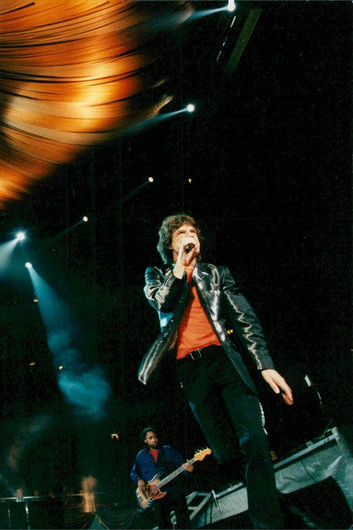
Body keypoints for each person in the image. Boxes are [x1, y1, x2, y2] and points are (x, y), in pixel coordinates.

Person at [138, 213, 294, 529]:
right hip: (191, 370)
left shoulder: (216, 273)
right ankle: (270, 500)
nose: (189, 235)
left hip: (225, 361)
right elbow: (163, 303)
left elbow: (245, 320)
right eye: (181, 232)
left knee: (255, 441)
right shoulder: (157, 274)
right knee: (225, 452)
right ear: (170, 243)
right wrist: (180, 266)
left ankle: (269, 522)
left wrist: (266, 365)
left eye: (193, 231)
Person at [130, 427, 193, 529]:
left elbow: (182, 465)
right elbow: (133, 473)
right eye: (150, 438)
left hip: (173, 488)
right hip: (155, 495)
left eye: (155, 437)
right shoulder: (141, 456)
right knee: (163, 523)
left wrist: (188, 469)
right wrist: (139, 481)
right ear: (145, 440)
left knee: (183, 517)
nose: (154, 440)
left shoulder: (168, 450)